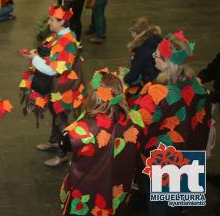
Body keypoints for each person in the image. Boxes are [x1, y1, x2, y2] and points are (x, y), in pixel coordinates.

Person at [134, 31, 211, 215]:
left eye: (158, 55)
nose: (153, 56)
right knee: (175, 207)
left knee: (158, 209)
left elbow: (139, 126)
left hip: (162, 159)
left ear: (169, 62)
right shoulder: (199, 88)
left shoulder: (157, 92)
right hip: (189, 156)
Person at [60, 70, 140, 215]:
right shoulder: (132, 118)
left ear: (93, 97)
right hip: (118, 185)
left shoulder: (87, 127)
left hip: (90, 186)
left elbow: (64, 143)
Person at [19, 4, 84, 167]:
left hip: (64, 89)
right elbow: (51, 55)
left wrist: (34, 59)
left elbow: (51, 70)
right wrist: (36, 54)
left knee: (61, 120)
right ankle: (54, 142)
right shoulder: (60, 35)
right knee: (56, 115)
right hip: (57, 87)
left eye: (52, 19)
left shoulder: (68, 42)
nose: (49, 22)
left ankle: (62, 154)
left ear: (62, 22)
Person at [122, 18, 162, 106]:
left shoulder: (141, 50)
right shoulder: (158, 40)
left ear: (134, 33)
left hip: (151, 84)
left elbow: (132, 76)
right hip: (163, 79)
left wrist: (123, 79)